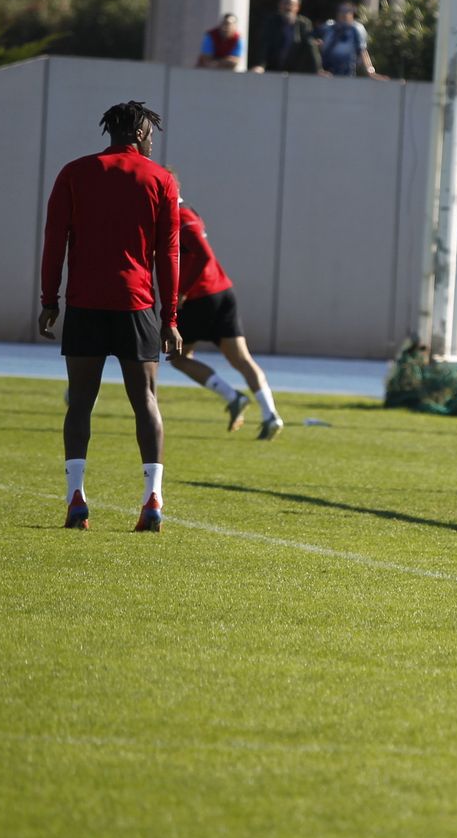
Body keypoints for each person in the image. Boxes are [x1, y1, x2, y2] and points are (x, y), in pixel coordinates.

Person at [38, 101, 181, 533]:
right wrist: (171, 317)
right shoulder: (161, 179)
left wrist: (50, 299)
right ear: (137, 133)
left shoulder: (74, 173)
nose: (152, 141)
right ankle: (152, 498)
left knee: (80, 401)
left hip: (85, 304)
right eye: (150, 133)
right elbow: (168, 253)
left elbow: (54, 239)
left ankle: (76, 497)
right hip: (136, 305)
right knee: (146, 401)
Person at [166, 177, 285, 440]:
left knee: (177, 357)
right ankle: (271, 414)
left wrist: (182, 290)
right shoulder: (188, 212)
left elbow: (203, 254)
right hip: (221, 291)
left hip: (201, 297)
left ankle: (232, 397)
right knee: (241, 359)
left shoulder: (182, 217)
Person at [249, 0, 322, 75]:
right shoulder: (271, 23)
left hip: (297, 72)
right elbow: (264, 45)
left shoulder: (304, 24)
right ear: (279, 6)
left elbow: (310, 45)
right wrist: (260, 65)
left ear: (297, 7)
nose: (287, 7)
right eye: (284, 3)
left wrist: (318, 70)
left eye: (291, 4)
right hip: (273, 70)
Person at [318, 2, 383, 79]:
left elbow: (363, 51)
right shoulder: (328, 28)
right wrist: (318, 69)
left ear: (352, 13)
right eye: (341, 11)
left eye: (347, 11)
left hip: (347, 75)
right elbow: (318, 48)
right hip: (328, 75)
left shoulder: (356, 29)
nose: (344, 14)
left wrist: (371, 72)